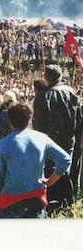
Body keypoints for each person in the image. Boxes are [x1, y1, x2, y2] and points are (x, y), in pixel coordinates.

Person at [0, 103, 71, 218]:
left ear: (9, 121)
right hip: (36, 197)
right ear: (30, 119)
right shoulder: (42, 138)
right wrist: (51, 181)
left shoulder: (2, 145)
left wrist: (0, 190)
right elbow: (65, 159)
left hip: (9, 199)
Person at [33, 64, 81, 211]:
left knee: (52, 173)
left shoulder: (43, 95)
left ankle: (54, 205)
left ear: (46, 77)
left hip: (50, 142)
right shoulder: (72, 93)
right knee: (66, 170)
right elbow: (79, 118)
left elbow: (38, 125)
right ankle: (68, 204)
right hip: (69, 140)